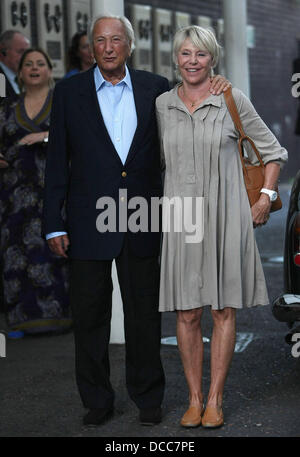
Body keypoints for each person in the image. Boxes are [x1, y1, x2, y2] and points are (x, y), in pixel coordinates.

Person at [42, 14, 230, 427]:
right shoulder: (69, 92)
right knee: (90, 316)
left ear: (130, 44)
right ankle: (97, 400)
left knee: (143, 313)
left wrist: (218, 83)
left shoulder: (156, 88)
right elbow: (57, 163)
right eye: (99, 41)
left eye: (115, 40)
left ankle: (148, 398)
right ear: (91, 47)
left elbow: (193, 110)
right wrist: (53, 223)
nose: (108, 48)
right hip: (87, 220)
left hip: (143, 216)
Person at [156, 25, 288, 429]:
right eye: (185, 54)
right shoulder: (161, 104)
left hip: (226, 217)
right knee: (187, 313)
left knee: (222, 308)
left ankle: (215, 399)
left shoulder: (230, 97)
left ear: (212, 58)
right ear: (175, 59)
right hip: (181, 218)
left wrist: (264, 198)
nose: (192, 61)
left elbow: (273, 152)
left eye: (200, 54)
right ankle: (194, 398)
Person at [0, 48, 71, 336]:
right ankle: (18, 320)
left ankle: (60, 317)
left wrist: (45, 135)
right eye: (28, 64)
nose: (34, 68)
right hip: (13, 195)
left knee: (52, 250)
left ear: (50, 70)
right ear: (19, 72)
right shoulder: (6, 108)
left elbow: (77, 137)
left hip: (52, 192)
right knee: (15, 254)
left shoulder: (63, 103)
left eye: (40, 63)